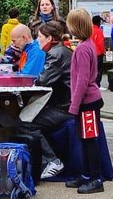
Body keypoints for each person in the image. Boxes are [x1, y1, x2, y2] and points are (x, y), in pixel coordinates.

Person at [15, 21, 73, 179]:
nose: (37, 40)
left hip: (63, 107)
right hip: (66, 103)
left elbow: (43, 80)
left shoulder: (56, 54)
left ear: (49, 38)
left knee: (24, 122)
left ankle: (51, 161)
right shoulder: (63, 50)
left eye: (39, 36)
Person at [66, 9, 105, 194]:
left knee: (89, 141)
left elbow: (82, 80)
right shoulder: (87, 44)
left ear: (75, 26)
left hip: (87, 102)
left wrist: (74, 105)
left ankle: (96, 178)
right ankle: (87, 174)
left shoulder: (82, 49)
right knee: (85, 140)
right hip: (89, 100)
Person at [90, 15, 106, 84]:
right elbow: (100, 43)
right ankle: (97, 84)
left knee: (91, 69)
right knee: (99, 69)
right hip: (98, 53)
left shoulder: (90, 30)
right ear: (99, 22)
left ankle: (91, 83)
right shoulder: (99, 31)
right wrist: (103, 51)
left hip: (90, 53)